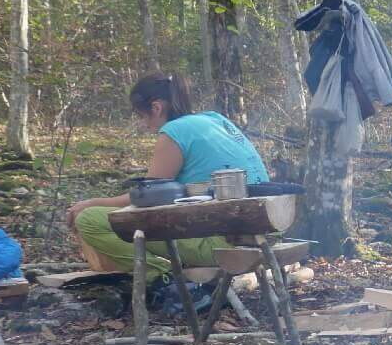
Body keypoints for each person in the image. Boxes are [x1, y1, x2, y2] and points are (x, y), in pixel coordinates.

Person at [66, 72, 271, 283]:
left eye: (141, 116)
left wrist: (90, 203)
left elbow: (147, 199)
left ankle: (162, 279)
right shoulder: (214, 119)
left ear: (156, 108)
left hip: (224, 245)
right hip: (263, 234)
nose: (144, 125)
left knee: (90, 220)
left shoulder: (174, 131)